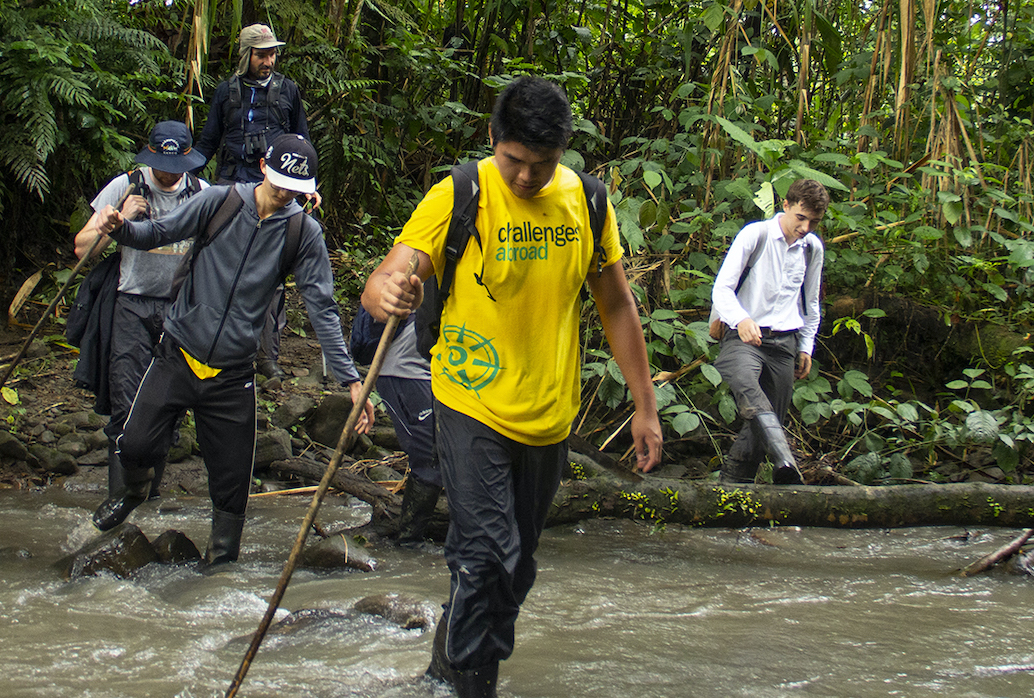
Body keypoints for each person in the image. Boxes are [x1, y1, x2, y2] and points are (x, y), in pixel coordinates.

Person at [360, 76, 663, 698]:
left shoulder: (588, 202)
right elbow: (387, 276)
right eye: (514, 161)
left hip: (549, 414)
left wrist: (644, 404)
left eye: (542, 164)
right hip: (469, 400)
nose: (525, 177)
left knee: (515, 567)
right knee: (486, 555)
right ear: (492, 139)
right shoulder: (460, 194)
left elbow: (615, 303)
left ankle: (443, 673)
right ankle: (474, 687)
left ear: (564, 153)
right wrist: (387, 292)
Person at [90, 134, 372, 569]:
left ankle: (219, 563)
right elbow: (160, 232)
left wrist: (351, 380)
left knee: (232, 480)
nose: (284, 198)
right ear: (263, 167)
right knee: (136, 442)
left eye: (294, 192)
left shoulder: (302, 232)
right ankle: (129, 493)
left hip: (233, 373)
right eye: (279, 186)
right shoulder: (218, 202)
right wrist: (121, 228)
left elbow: (322, 308)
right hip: (179, 352)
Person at [70, 121, 208, 505]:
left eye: (175, 166)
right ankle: (121, 500)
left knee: (167, 407)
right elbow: (82, 249)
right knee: (126, 407)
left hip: (179, 311)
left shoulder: (202, 194)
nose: (167, 174)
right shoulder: (126, 186)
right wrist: (115, 220)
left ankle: (149, 499)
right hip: (131, 306)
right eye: (160, 165)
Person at [195, 23, 316, 378]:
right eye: (262, 54)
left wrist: (309, 185)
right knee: (222, 267)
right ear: (246, 55)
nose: (269, 60)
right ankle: (216, 346)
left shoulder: (288, 91)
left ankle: (267, 357)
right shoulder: (225, 92)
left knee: (271, 273)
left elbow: (301, 140)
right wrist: (182, 174)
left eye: (272, 53)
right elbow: (208, 142)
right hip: (233, 189)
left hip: (277, 192)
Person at [707, 179, 828, 485]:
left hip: (784, 341)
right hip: (742, 336)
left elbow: (811, 302)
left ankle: (733, 489)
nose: (805, 227)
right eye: (800, 218)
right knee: (748, 385)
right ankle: (785, 460)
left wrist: (805, 347)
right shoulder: (756, 234)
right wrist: (741, 318)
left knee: (770, 416)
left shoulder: (812, 248)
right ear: (786, 206)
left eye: (813, 222)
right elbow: (722, 288)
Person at [349, 308, 441, 545]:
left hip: (432, 373)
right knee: (430, 457)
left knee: (443, 454)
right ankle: (409, 541)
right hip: (403, 372)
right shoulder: (413, 272)